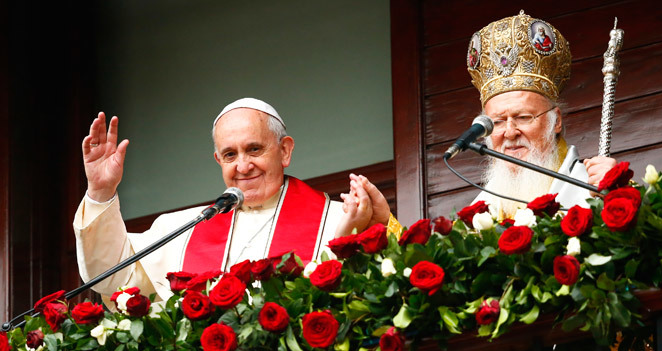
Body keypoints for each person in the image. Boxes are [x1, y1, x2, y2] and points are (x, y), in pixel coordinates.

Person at [74, 98, 393, 304]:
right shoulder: (181, 229)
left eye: (254, 149)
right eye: (230, 154)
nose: (243, 166)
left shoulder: (342, 218)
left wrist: (378, 227)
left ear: (284, 151)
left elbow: (387, 290)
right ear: (218, 160)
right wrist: (101, 191)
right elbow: (114, 277)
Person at [467, 11, 617, 219]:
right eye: (498, 122)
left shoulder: (593, 187)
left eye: (523, 117)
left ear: (556, 121)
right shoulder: (476, 218)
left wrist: (617, 193)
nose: (510, 133)